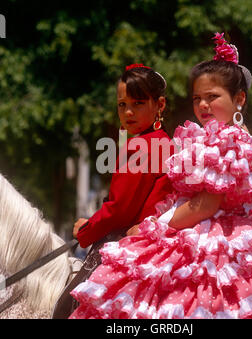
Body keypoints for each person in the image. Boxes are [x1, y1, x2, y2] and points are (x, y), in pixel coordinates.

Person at [68, 33, 252, 319]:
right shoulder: (221, 139)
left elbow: (205, 205)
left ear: (239, 99)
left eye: (212, 97)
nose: (203, 105)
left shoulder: (224, 143)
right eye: (197, 98)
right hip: (217, 228)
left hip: (212, 235)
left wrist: (152, 226)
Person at [52, 64, 174, 319]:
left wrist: (85, 230)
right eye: (122, 105)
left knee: (65, 310)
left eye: (138, 103)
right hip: (153, 244)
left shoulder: (142, 146)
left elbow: (119, 210)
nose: (128, 112)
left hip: (126, 241)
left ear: (159, 105)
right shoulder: (163, 141)